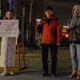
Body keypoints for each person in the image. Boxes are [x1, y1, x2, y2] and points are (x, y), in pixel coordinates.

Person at [36, 6, 61, 77]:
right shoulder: (43, 21)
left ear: (52, 12)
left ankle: (53, 72)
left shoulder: (56, 20)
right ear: (45, 13)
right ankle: (45, 72)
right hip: (44, 42)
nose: (48, 13)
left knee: (54, 58)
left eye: (50, 11)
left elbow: (58, 31)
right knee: (44, 58)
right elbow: (39, 31)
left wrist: (58, 40)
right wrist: (38, 25)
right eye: (47, 11)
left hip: (53, 42)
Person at [0, 11, 16, 76]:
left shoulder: (14, 22)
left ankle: (11, 70)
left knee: (11, 54)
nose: (9, 15)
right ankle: (5, 70)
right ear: (5, 15)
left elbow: (16, 31)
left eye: (10, 14)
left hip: (11, 39)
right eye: (7, 14)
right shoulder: (3, 22)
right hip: (4, 39)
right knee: (4, 54)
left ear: (11, 15)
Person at [68, 5, 80, 79]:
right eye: (75, 10)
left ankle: (79, 72)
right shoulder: (70, 19)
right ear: (73, 10)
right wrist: (67, 30)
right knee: (73, 57)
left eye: (78, 10)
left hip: (79, 41)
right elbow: (69, 29)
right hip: (71, 41)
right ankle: (74, 71)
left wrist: (76, 28)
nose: (76, 11)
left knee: (79, 57)